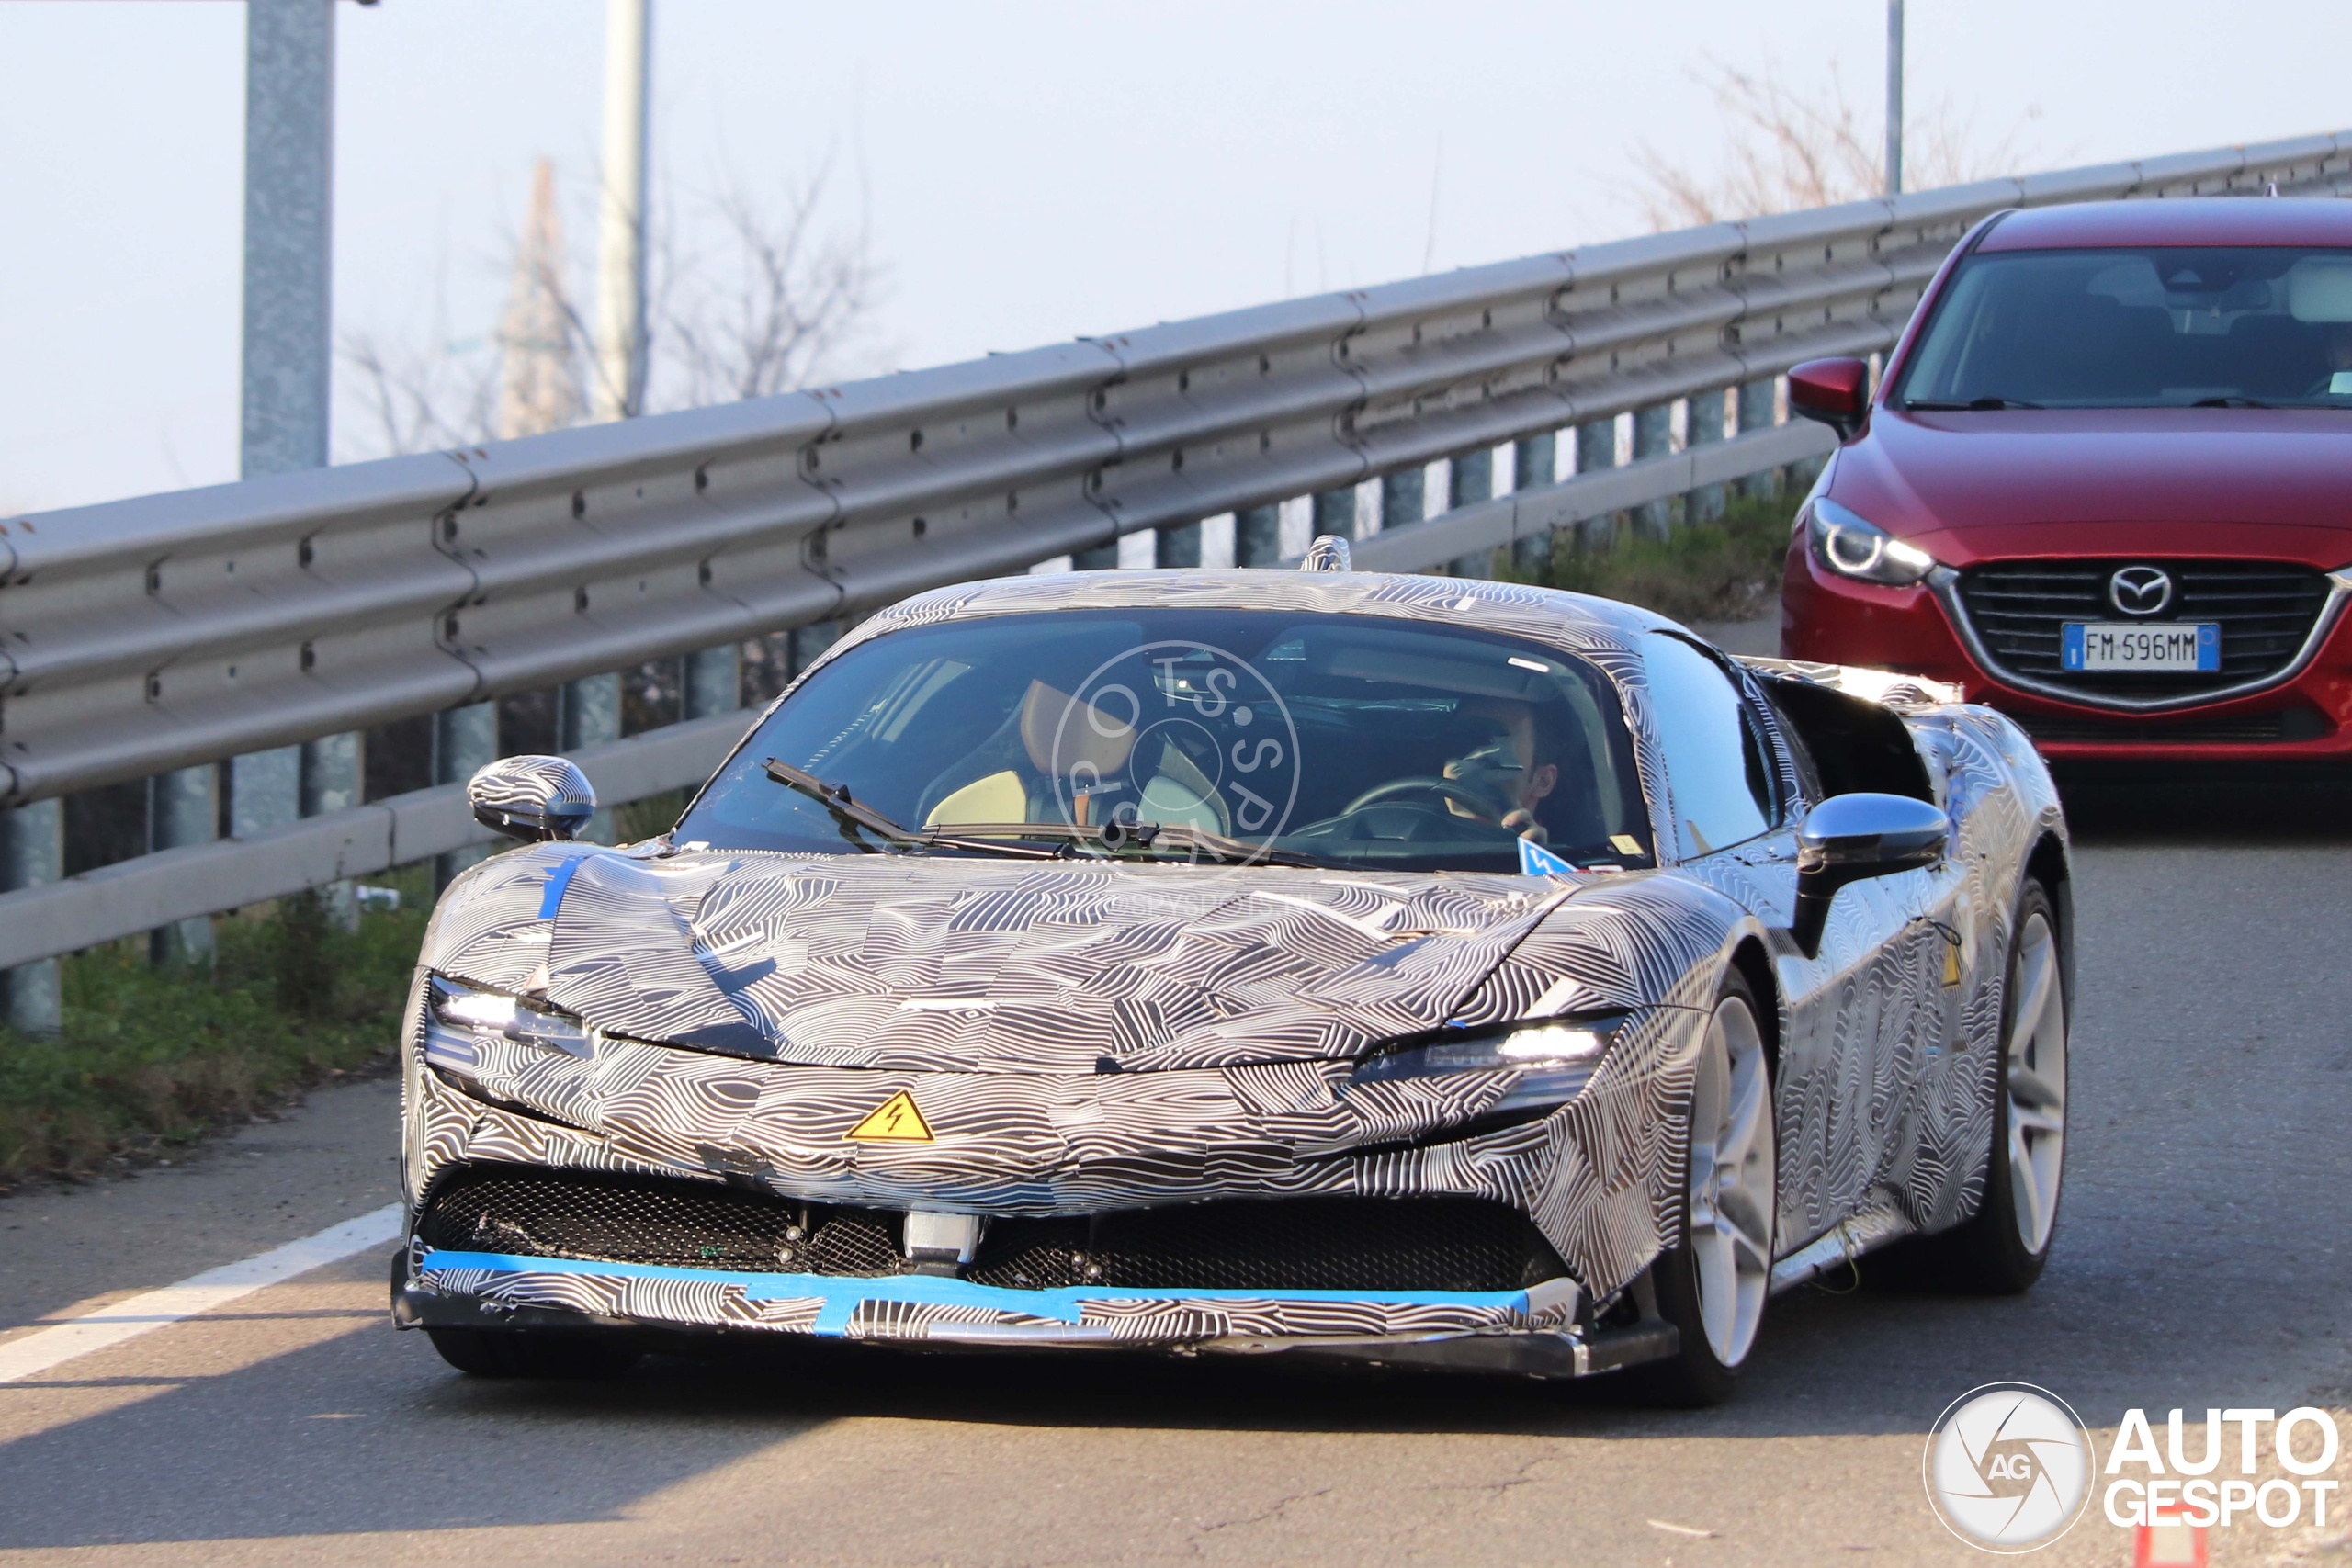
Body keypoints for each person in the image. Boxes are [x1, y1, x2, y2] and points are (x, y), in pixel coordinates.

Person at [1440, 699, 1563, 842]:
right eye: (1461, 745)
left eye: (1493, 761)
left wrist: (1533, 856)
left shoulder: (1556, 859)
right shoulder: (1412, 836)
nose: (1469, 767)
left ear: (1543, 781)